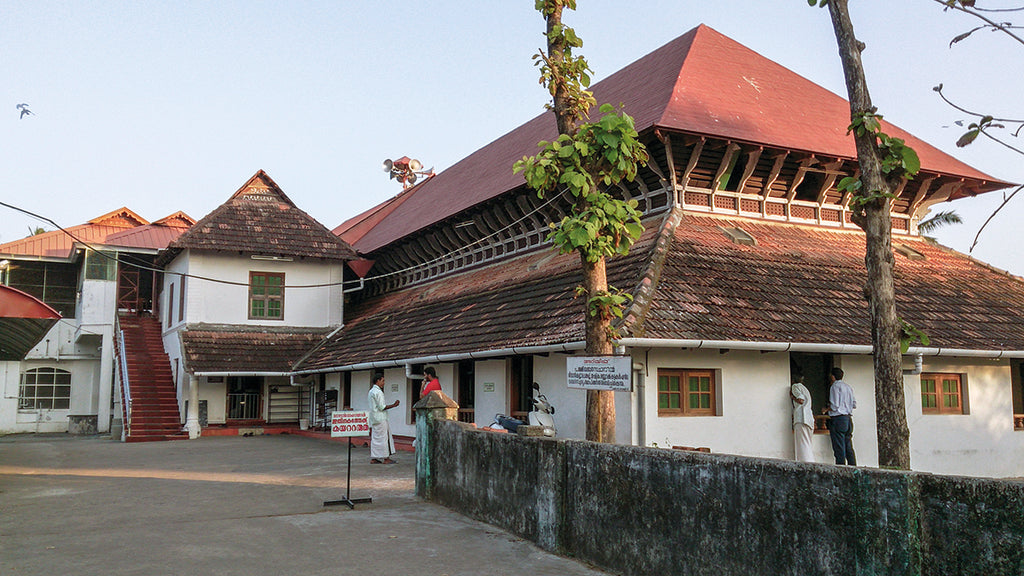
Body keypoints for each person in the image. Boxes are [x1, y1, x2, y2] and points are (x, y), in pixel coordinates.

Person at [823, 367, 856, 465]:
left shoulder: (834, 387)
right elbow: (854, 404)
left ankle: (841, 468)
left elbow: (835, 405)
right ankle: (853, 467)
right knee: (848, 446)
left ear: (832, 377)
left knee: (839, 447)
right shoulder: (848, 387)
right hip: (848, 418)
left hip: (838, 419)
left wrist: (826, 409)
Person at [367, 374, 399, 464]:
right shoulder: (378, 392)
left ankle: (374, 457)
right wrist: (394, 405)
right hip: (381, 418)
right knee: (384, 438)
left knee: (375, 438)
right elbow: (382, 407)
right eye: (383, 381)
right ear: (378, 381)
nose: (384, 383)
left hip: (374, 418)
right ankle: (386, 458)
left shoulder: (371, 391)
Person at [790, 375, 815, 463]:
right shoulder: (805, 389)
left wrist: (793, 397)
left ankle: (805, 464)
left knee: (802, 445)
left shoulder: (795, 386)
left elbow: (801, 400)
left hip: (801, 418)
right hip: (809, 419)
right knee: (807, 443)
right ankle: (810, 462)